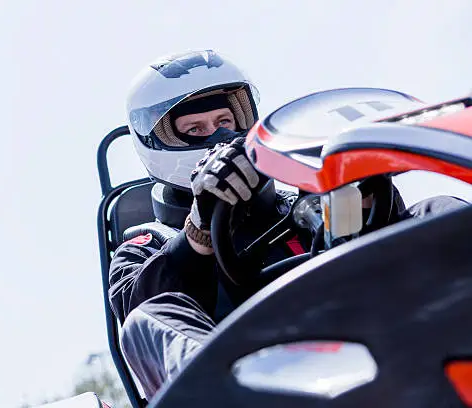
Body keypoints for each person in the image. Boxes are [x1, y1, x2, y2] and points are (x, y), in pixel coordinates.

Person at [108, 49, 469, 401]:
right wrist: (200, 230)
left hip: (373, 362)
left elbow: (392, 252)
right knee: (148, 318)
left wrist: (364, 195)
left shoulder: (308, 203)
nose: (218, 136)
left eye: (224, 121)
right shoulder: (146, 245)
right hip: (254, 379)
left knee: (438, 213)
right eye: (195, 129)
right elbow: (140, 325)